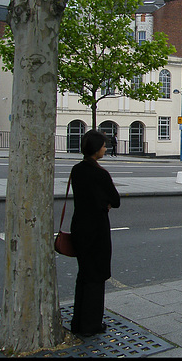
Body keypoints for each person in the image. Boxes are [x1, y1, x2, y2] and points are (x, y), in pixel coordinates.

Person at [70, 129, 121, 337]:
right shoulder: (100, 173)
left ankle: (78, 322)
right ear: (95, 148)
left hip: (79, 227)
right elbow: (115, 201)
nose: (105, 148)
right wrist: (105, 203)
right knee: (96, 277)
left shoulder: (77, 169)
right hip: (96, 230)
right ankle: (91, 325)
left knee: (83, 275)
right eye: (103, 145)